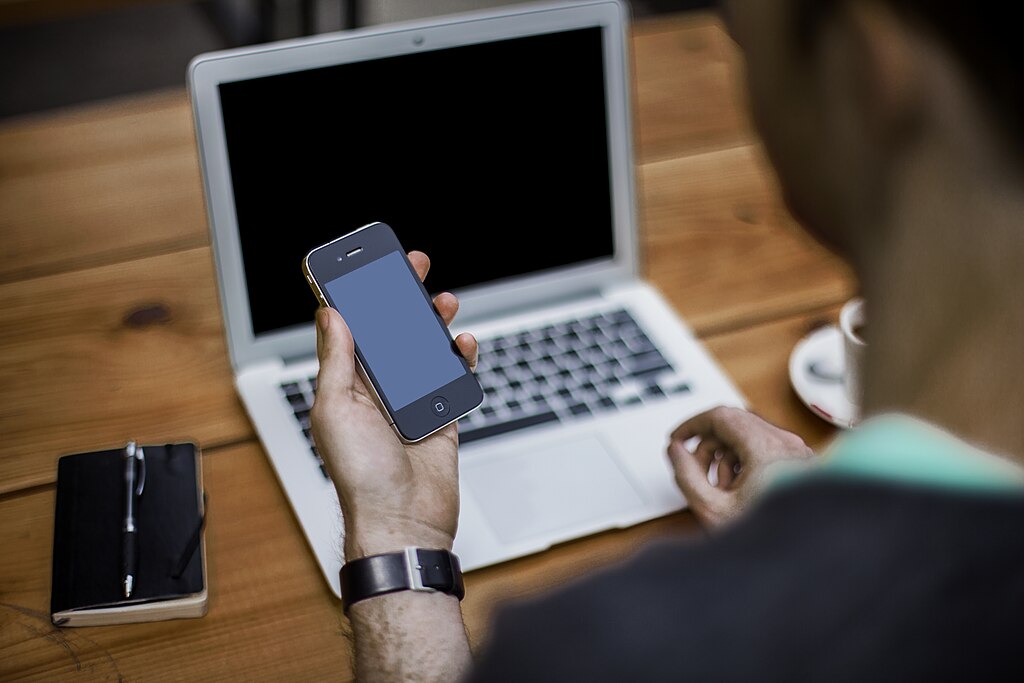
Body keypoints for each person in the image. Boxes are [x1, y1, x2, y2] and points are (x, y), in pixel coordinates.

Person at [311, 0, 1024, 679]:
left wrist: (397, 536)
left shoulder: (608, 651)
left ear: (868, 70)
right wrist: (812, 516)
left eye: (745, 26)